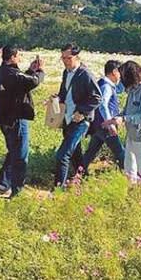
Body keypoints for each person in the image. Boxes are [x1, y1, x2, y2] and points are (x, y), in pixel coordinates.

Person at [0, 45, 44, 198]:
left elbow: (19, 83)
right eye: (18, 55)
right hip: (16, 120)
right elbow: (32, 82)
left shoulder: (1, 72)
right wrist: (39, 71)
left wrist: (30, 70)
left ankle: (2, 185)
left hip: (4, 121)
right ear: (12, 57)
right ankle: (17, 191)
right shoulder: (11, 74)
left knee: (13, 152)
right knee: (20, 156)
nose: (20, 58)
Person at [54, 43, 101, 189]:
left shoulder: (85, 74)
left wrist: (82, 112)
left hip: (81, 121)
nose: (65, 61)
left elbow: (97, 97)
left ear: (77, 56)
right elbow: (64, 92)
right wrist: (56, 99)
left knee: (62, 155)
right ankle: (86, 181)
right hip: (67, 119)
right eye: (63, 58)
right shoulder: (66, 72)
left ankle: (58, 190)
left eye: (68, 58)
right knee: (75, 155)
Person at [105, 60, 141, 184]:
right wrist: (114, 119)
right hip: (131, 135)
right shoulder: (132, 90)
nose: (121, 80)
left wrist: (124, 119)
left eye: (123, 76)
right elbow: (126, 111)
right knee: (129, 168)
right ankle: (131, 192)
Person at [81, 60, 126, 171]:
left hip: (98, 125)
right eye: (119, 73)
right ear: (114, 72)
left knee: (90, 152)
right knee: (119, 151)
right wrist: (110, 123)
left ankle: (79, 172)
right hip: (106, 126)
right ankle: (129, 174)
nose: (120, 76)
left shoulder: (103, 83)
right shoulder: (106, 86)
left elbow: (119, 89)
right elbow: (103, 105)